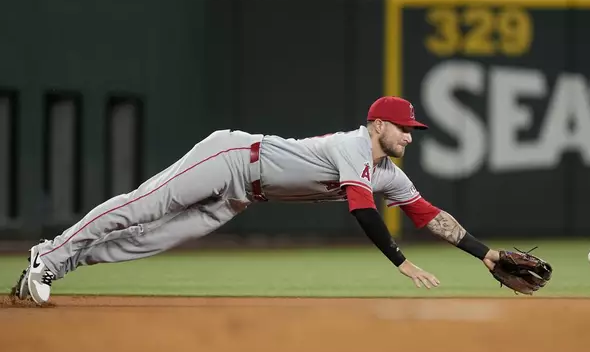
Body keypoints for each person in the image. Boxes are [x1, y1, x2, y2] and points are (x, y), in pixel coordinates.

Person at [12, 96, 503, 304]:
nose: (410, 136)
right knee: (144, 206)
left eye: (412, 130)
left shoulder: (388, 175)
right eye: (404, 128)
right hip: (231, 157)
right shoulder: (356, 146)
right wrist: (400, 261)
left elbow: (428, 215)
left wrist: (488, 255)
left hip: (241, 196)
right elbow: (360, 209)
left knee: (152, 240)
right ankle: (48, 253)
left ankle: (56, 265)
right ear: (378, 124)